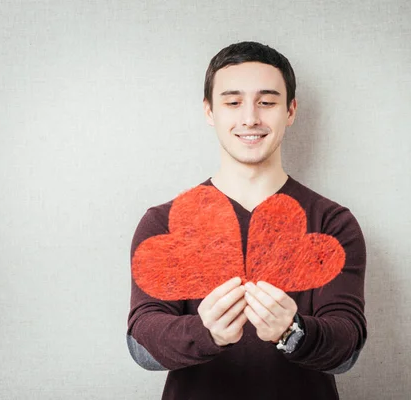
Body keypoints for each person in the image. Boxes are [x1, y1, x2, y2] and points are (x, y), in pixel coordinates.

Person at [126, 41, 367, 400]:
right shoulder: (164, 221)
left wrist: (293, 331)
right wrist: (206, 332)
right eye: (233, 101)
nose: (250, 118)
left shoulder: (332, 222)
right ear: (210, 111)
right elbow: (142, 343)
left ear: (291, 111)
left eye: (267, 102)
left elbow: (347, 348)